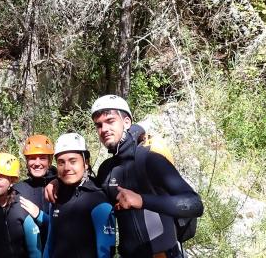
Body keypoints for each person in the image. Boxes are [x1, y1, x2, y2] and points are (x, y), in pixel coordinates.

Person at [91, 95, 203, 258]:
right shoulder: (106, 170)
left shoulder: (150, 159)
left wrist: (142, 200)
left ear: (127, 122)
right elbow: (86, 198)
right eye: (99, 125)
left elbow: (195, 204)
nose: (104, 129)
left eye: (110, 121)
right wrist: (54, 181)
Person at [42, 133, 115, 258]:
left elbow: (106, 251)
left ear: (85, 163)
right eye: (61, 162)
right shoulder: (56, 195)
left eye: (73, 161)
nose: (67, 168)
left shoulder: (98, 200)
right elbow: (50, 243)